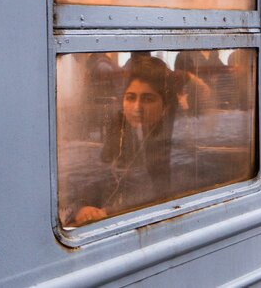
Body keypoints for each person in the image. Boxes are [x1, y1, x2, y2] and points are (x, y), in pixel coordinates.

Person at [73, 56, 182, 225]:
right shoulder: (120, 133)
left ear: (165, 106)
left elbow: (162, 197)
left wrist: (109, 213)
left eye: (148, 99)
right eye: (130, 98)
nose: (137, 108)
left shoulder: (175, 146)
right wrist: (82, 207)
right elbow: (100, 178)